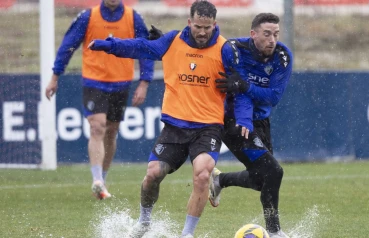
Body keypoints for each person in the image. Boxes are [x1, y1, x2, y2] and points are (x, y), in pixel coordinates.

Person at [88, 1, 244, 237]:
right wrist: (109, 45)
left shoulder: (225, 50)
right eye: (198, 26)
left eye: (208, 27)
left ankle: (187, 234)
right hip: (175, 126)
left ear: (215, 24)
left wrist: (241, 100)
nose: (202, 32)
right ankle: (144, 221)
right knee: (153, 174)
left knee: (202, 174)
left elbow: (241, 85)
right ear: (189, 22)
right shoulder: (172, 41)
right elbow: (140, 47)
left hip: (208, 127)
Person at [44, 0, 155, 200]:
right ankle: (97, 179)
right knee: (97, 127)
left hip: (121, 83)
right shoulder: (88, 17)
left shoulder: (133, 17)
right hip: (94, 82)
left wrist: (144, 82)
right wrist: (54, 77)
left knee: (111, 132)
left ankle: (102, 181)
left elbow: (145, 49)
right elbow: (68, 46)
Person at [209, 13, 293, 238]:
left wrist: (245, 86)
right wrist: (243, 114)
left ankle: (220, 180)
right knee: (274, 172)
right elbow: (240, 95)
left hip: (261, 121)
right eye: (266, 34)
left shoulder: (283, 56)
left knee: (261, 180)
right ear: (253, 34)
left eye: (276, 34)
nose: (272, 40)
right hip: (234, 121)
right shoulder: (235, 49)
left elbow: (273, 97)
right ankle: (275, 232)